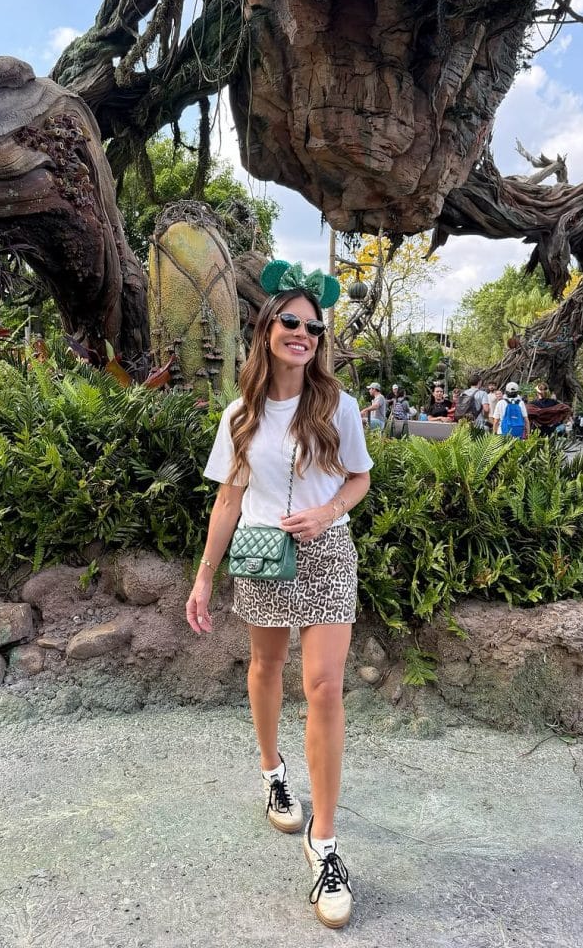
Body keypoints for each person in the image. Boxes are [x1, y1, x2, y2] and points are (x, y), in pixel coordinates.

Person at [185, 261, 372, 929]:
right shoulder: (239, 415)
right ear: (266, 330)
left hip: (327, 555)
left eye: (313, 327)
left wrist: (326, 513)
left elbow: (358, 480)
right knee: (264, 667)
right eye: (290, 322)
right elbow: (228, 499)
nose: (302, 333)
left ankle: (324, 846)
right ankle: (273, 774)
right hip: (263, 556)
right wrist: (205, 574)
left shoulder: (338, 406)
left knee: (323, 686)